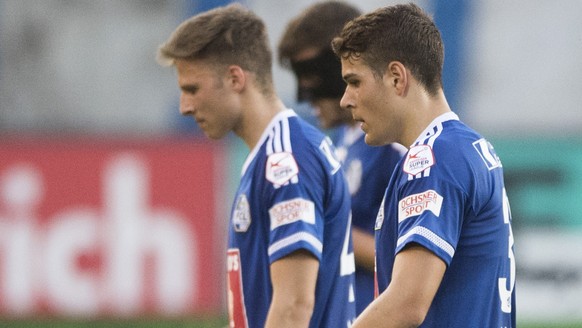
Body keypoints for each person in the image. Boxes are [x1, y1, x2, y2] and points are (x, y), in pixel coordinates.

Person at [157, 3, 356, 328]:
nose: (185, 107)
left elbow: (294, 306)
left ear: (235, 78)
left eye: (192, 89)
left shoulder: (285, 160)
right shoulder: (273, 155)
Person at [332, 3, 516, 327]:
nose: (346, 99)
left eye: (355, 81)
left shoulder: (432, 159)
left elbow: (405, 304)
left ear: (396, 78)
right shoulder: (464, 147)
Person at [277, 1, 406, 315]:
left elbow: (420, 258)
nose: (304, 93)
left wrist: (322, 227)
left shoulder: (395, 146)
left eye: (311, 74)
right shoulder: (338, 144)